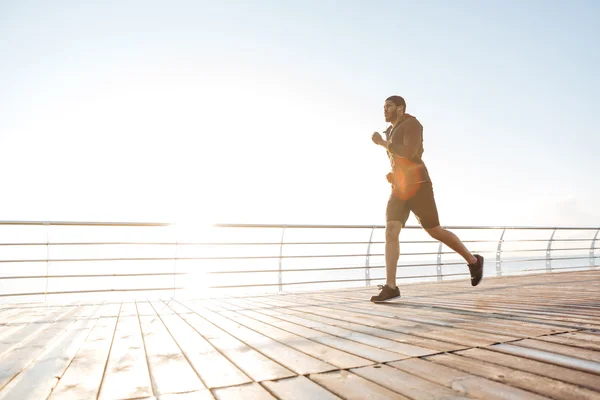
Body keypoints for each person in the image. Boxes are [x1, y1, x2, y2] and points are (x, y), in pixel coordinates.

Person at [370, 95, 483, 302]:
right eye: (383, 107)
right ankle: (391, 286)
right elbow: (400, 162)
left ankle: (473, 261)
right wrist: (393, 174)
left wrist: (382, 143)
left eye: (389, 106)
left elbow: (410, 153)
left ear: (400, 109)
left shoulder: (412, 124)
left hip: (419, 187)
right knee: (391, 230)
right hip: (399, 189)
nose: (384, 110)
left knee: (434, 231)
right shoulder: (390, 130)